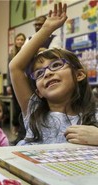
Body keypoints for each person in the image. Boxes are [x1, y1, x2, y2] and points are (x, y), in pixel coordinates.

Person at [9, 2, 98, 146]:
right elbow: (15, 67)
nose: (47, 73)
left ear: (79, 75)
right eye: (39, 73)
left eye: (56, 65)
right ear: (39, 92)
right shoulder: (34, 111)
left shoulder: (93, 117)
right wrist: (46, 28)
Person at [7, 33, 26, 144]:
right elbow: (9, 70)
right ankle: (17, 128)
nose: (20, 41)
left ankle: (22, 133)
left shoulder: (26, 51)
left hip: (24, 82)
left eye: (22, 39)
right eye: (18, 39)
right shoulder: (11, 54)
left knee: (23, 107)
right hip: (14, 84)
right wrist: (9, 84)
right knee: (16, 107)